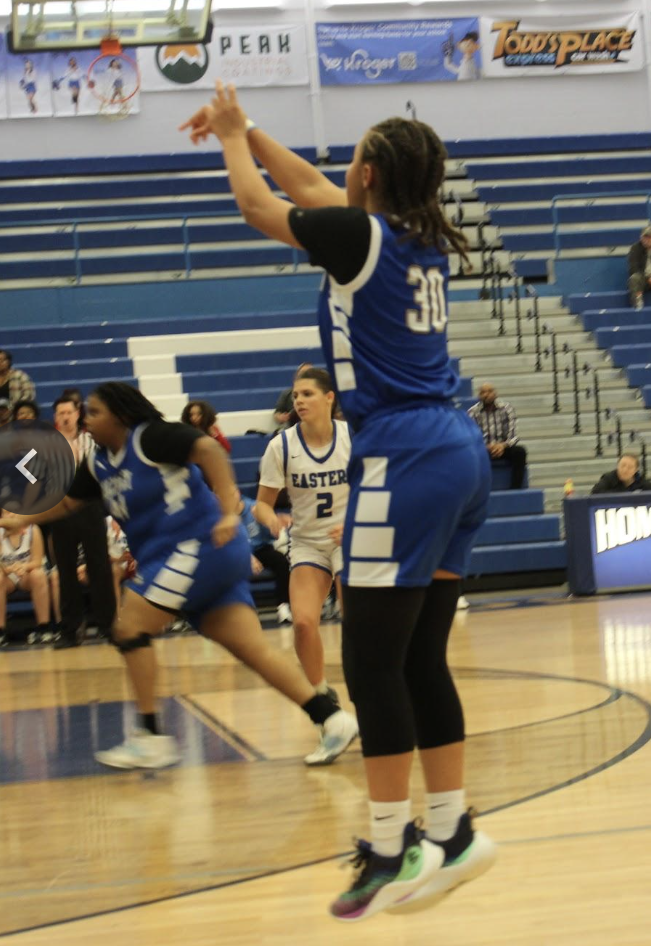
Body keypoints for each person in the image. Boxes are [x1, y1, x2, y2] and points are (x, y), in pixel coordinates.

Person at [181, 83, 497, 920]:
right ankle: (455, 830)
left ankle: (392, 846)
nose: (337, 173)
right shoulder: (411, 235)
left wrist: (228, 139)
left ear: (367, 173)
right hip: (459, 451)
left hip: (406, 454)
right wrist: (246, 125)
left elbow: (258, 201)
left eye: (350, 160)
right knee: (419, 658)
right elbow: (314, 190)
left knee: (369, 663)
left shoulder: (363, 234)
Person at [0, 382, 355, 769]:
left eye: (95, 412)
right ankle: (332, 718)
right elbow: (68, 501)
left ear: (119, 415)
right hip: (188, 557)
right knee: (253, 649)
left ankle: (150, 736)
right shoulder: (96, 461)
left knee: (129, 627)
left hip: (197, 546)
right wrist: (21, 518)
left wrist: (230, 509)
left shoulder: (150, 438)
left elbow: (209, 449)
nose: (87, 419)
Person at [254, 366, 359, 765]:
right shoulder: (281, 445)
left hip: (352, 538)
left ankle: (371, 701)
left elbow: (381, 485)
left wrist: (357, 523)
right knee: (302, 622)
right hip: (308, 543)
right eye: (295, 395)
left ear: (329, 398)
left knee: (358, 625)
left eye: (307, 394)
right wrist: (272, 520)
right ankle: (324, 703)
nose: (298, 400)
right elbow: (263, 502)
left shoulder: (354, 436)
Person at [50, 393, 117, 649]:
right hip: (59, 508)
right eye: (60, 413)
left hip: (89, 506)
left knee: (99, 566)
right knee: (65, 569)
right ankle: (70, 629)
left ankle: (107, 625)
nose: (65, 417)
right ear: (55, 417)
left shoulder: (92, 440)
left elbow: (108, 466)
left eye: (69, 412)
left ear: (78, 414)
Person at [0, 518, 53, 647]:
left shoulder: (33, 529)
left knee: (38, 575)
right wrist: (9, 569)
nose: (10, 515)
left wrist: (24, 567)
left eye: (13, 512)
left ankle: (44, 628)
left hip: (26, 574)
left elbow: (38, 561)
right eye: (6, 511)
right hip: (7, 576)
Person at [240, 496, 291, 625]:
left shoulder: (255, 508)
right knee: (231, 566)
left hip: (261, 548)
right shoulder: (223, 515)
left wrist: (271, 526)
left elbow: (271, 536)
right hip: (241, 551)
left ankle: (283, 607)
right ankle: (243, 610)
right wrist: (248, 556)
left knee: (281, 561)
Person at [467, 382, 527, 490]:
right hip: (483, 449)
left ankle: (515, 490)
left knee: (520, 452)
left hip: (503, 448)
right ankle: (476, 491)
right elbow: (472, 439)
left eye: (489, 391)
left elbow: (513, 436)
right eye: (483, 392)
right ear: (479, 396)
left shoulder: (506, 409)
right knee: (468, 455)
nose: (486, 394)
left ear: (495, 394)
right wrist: (486, 447)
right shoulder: (472, 412)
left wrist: (502, 446)